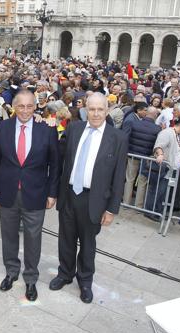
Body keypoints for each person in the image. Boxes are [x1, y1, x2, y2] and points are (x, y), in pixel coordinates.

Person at [49, 92, 128, 304]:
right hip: (69, 195)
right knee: (65, 240)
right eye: (91, 109)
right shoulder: (74, 129)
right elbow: (58, 156)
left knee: (87, 244)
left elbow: (119, 177)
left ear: (107, 110)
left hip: (93, 200)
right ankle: (64, 274)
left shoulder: (117, 138)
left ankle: (85, 282)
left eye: (100, 109)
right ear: (85, 109)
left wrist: (111, 209)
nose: (95, 113)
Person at [0, 90, 59, 301]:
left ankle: (30, 278)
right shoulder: (3, 128)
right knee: (8, 236)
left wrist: (52, 193)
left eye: (30, 106)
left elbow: (55, 166)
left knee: (33, 238)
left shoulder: (46, 130)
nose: (26, 111)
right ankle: (11, 272)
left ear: (35, 107)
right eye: (21, 106)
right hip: (7, 192)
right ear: (14, 107)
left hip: (36, 193)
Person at [123, 106, 161, 208]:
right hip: (146, 158)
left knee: (129, 179)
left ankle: (126, 203)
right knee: (142, 182)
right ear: (155, 116)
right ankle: (138, 205)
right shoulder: (158, 128)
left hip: (132, 155)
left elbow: (128, 138)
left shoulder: (135, 123)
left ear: (146, 113)